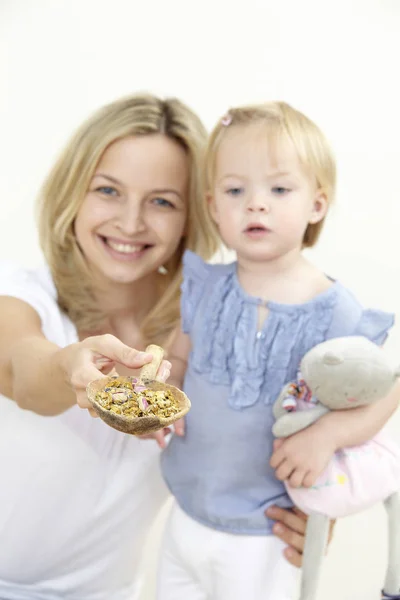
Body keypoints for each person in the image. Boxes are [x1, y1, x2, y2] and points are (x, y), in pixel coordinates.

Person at [0, 94, 306, 600]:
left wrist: (296, 517)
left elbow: (256, 448)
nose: (131, 222)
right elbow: (21, 372)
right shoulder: (20, 296)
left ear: (195, 215)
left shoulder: (205, 342)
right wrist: (69, 367)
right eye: (108, 191)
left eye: (162, 201)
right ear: (72, 192)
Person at [156, 101, 398, 600]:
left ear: (316, 204)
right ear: (212, 205)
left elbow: (384, 393)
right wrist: (163, 389)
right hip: (186, 511)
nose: (256, 204)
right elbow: (178, 357)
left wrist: (328, 433)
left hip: (265, 531)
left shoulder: (335, 311)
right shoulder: (204, 288)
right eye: (235, 190)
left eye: (279, 189)